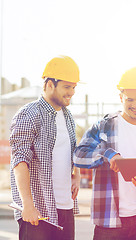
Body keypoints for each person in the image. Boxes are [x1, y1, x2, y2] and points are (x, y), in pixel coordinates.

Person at [73, 67, 136, 240]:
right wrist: (108, 155)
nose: (135, 105)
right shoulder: (103, 126)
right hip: (108, 221)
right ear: (121, 97)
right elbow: (78, 155)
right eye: (129, 99)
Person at [10, 55, 81, 240]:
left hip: (65, 208)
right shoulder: (28, 114)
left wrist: (76, 174)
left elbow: (71, 152)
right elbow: (19, 161)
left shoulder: (68, 117)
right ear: (50, 84)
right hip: (38, 211)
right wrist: (27, 204)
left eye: (74, 87)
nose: (72, 92)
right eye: (67, 87)